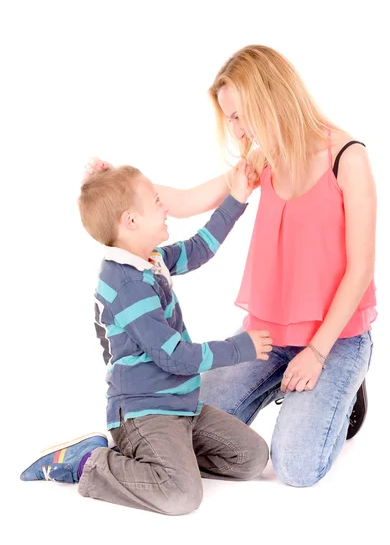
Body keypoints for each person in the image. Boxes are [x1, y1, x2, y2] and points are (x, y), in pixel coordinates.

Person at [84, 44, 377, 487]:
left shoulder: (347, 158)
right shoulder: (264, 160)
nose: (237, 131)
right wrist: (117, 191)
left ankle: (345, 387)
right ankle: (285, 376)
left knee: (296, 468)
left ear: (269, 99)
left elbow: (361, 269)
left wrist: (316, 354)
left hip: (335, 337)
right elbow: (181, 202)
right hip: (271, 334)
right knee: (189, 421)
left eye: (239, 116)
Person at [20, 162, 272, 515]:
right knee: (182, 495)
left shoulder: (149, 261)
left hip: (181, 407)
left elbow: (200, 248)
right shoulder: (126, 283)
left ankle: (164, 461)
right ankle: (89, 463)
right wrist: (239, 348)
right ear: (131, 221)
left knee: (252, 457)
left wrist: (237, 197)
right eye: (156, 201)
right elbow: (174, 356)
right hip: (145, 413)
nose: (165, 206)